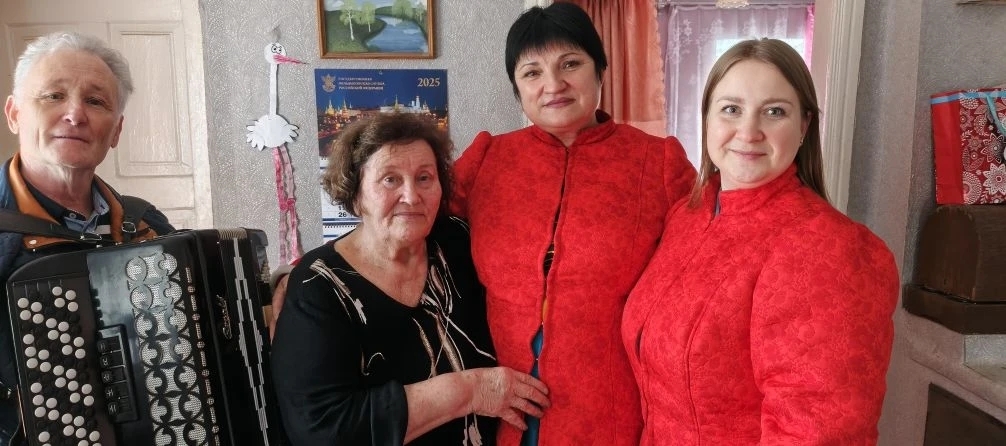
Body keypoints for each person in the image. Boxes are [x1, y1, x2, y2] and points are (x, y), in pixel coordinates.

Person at [621, 38, 899, 445]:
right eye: (731, 109)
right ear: (707, 119)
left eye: (774, 112)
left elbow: (817, 433)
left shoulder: (825, 247)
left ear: (804, 126)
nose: (748, 132)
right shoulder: (689, 214)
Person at [449, 4, 697, 446]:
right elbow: (416, 235)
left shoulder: (657, 162)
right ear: (517, 89)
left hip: (611, 411)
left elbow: (707, 266)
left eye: (570, 64)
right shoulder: (488, 159)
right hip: (498, 408)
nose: (553, 84)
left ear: (600, 70)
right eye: (532, 72)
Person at [270, 112, 550, 445]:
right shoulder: (318, 287)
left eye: (424, 178)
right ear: (355, 195)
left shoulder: (457, 241)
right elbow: (322, 430)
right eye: (390, 179)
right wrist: (469, 391)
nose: (412, 195)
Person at [0, 32, 175, 445]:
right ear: (14, 113)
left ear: (115, 131)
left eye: (96, 102)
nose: (75, 114)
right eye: (53, 96)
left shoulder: (144, 223)